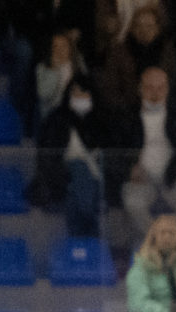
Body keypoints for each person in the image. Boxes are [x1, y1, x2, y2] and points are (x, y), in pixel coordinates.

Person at [122, 63, 176, 236]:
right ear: (140, 89)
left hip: (174, 176)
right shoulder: (127, 117)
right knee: (133, 203)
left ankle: (175, 241)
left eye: (160, 88)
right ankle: (155, 241)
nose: (155, 94)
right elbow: (118, 152)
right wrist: (130, 168)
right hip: (142, 178)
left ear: (167, 89)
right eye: (150, 88)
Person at [30, 74, 111, 237]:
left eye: (83, 93)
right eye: (75, 92)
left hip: (97, 177)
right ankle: (92, 236)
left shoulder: (102, 120)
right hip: (63, 176)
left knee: (75, 196)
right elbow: (47, 156)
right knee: (78, 168)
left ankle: (79, 242)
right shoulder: (57, 119)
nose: (78, 97)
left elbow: (110, 155)